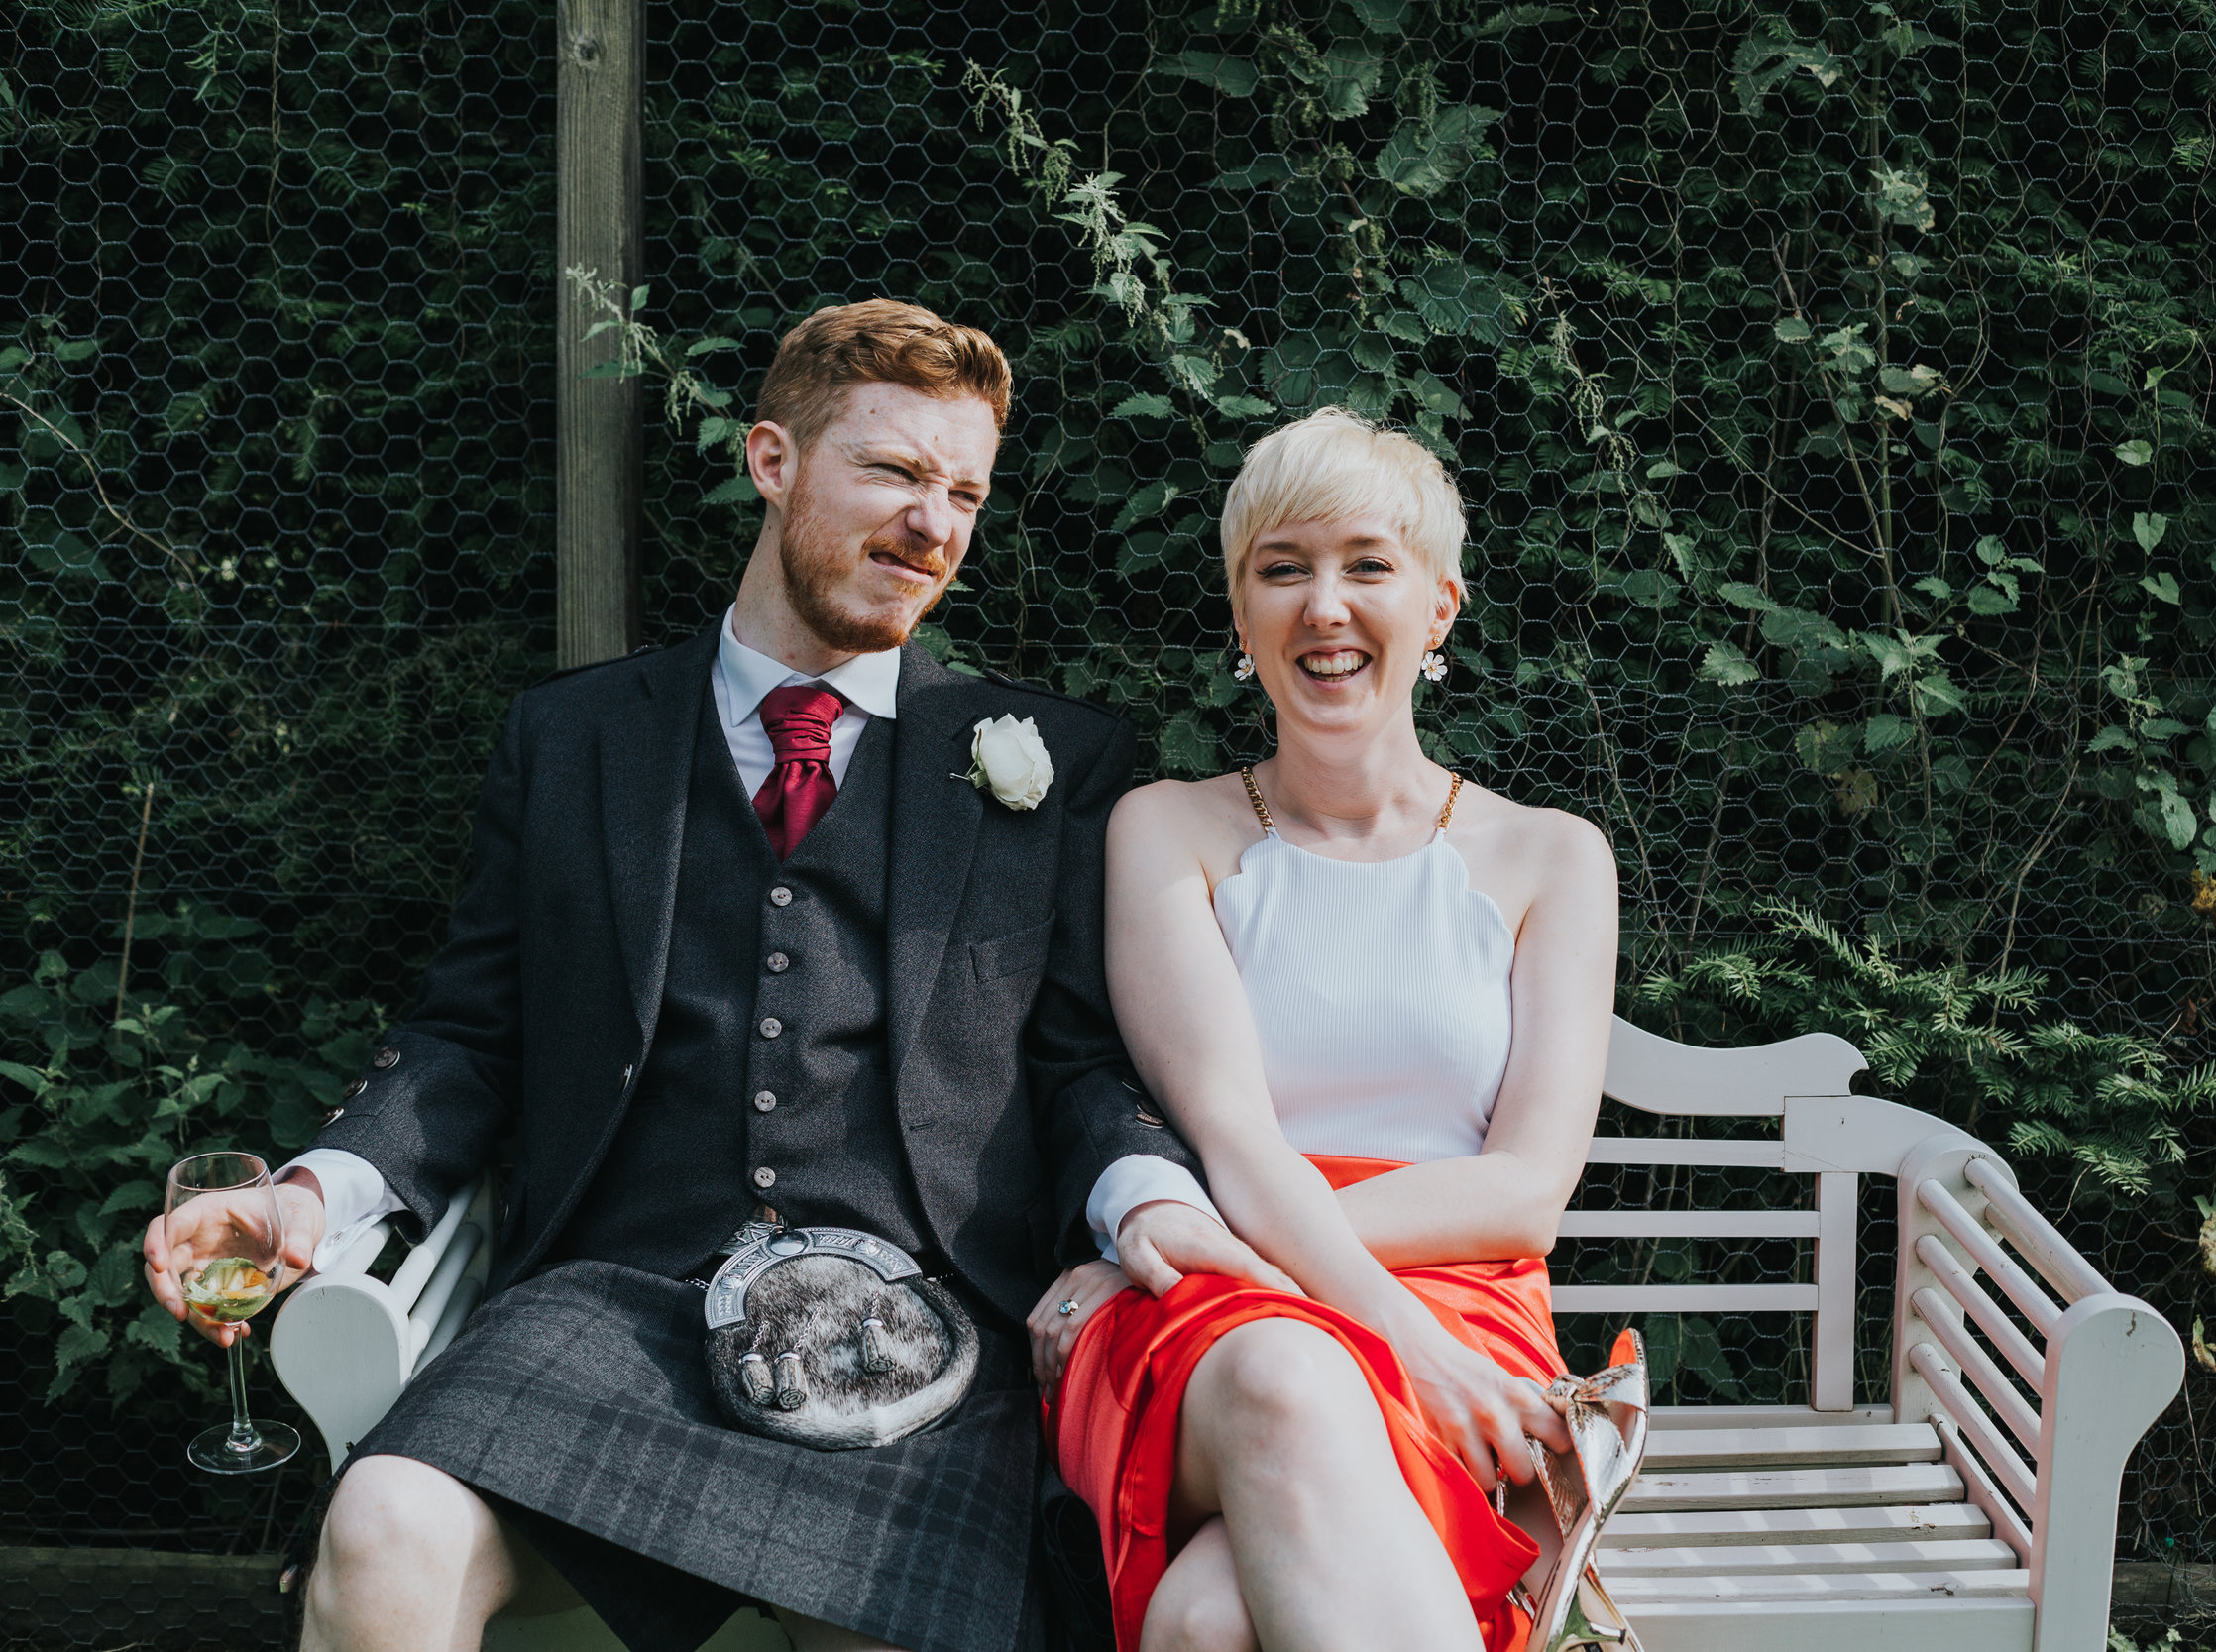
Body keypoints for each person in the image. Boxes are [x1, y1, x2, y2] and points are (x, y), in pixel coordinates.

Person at [140, 299, 1284, 1652]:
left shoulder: (1051, 762)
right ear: (771, 459)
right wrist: (311, 1194)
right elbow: (469, 1033)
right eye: (896, 472)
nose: (936, 522)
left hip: (918, 1331)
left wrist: (1143, 1202)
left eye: (965, 490)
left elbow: (1082, 1061)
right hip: (613, 1306)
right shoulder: (570, 740)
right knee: (384, 1524)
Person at [1037, 407, 1621, 1652]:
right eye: (1282, 568)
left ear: (1440, 605)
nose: (1325, 606)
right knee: (1288, 1376)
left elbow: (1523, 1191)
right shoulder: (1165, 833)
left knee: (1206, 1621)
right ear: (1242, 613)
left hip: (1457, 1300)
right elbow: (1234, 1137)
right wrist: (1375, 1332)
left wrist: (1193, 1238)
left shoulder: (1552, 856)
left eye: (1367, 563)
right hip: (1218, 1326)